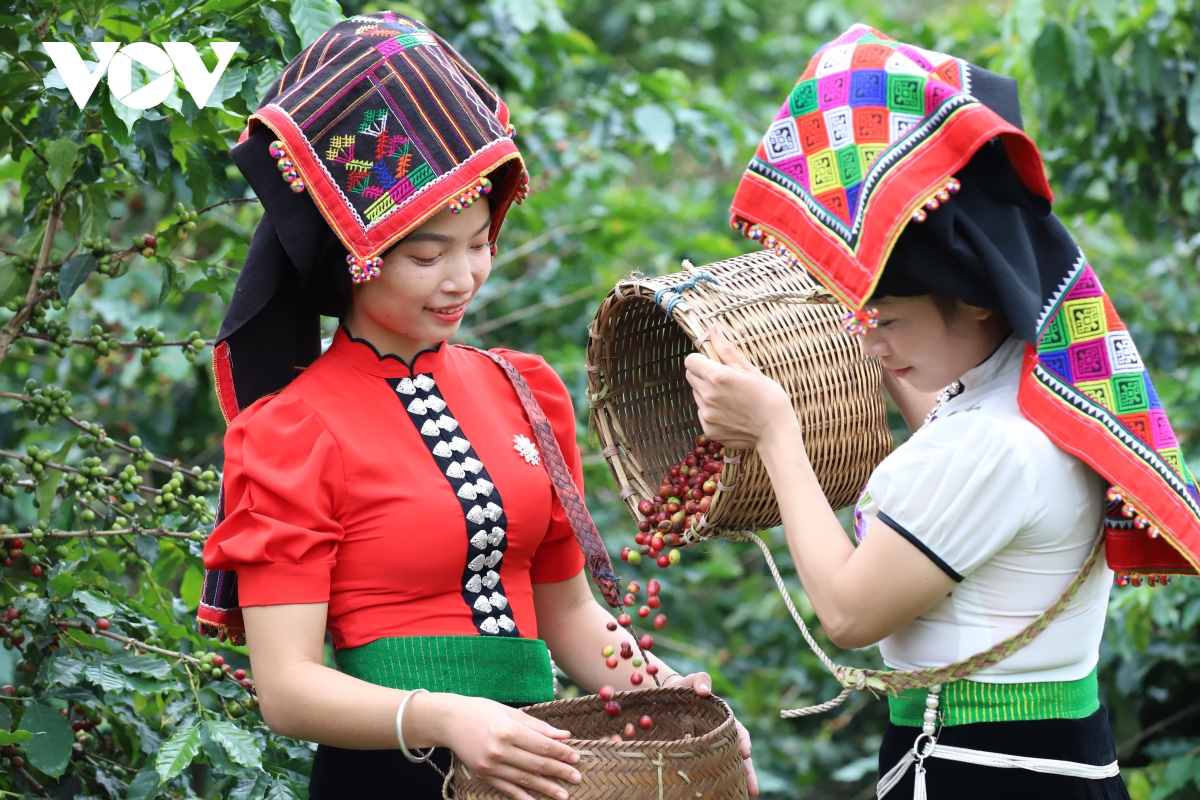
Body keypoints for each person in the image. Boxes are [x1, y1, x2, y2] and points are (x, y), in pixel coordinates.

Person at [197, 12, 757, 800]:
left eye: (480, 243)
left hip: (536, 765)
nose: (463, 278)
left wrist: (679, 702)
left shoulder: (521, 390)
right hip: (387, 772)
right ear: (351, 256)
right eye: (428, 255)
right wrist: (446, 718)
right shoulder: (292, 429)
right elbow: (287, 689)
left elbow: (569, 614)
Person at [686, 23, 1199, 800]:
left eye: (887, 320)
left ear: (975, 304)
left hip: (986, 776)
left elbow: (850, 612)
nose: (872, 338)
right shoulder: (1042, 396)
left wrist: (775, 432)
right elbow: (951, 446)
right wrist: (869, 347)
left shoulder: (994, 447)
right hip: (1036, 764)